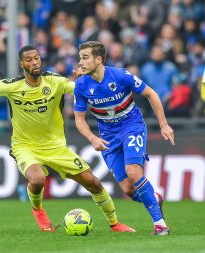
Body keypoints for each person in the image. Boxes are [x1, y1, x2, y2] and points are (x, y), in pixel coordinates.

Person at [0, 45, 134, 233]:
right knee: (37, 179)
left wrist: (86, 79)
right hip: (25, 146)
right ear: (22, 64)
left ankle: (115, 224)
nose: (35, 62)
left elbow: (82, 89)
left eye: (36, 58)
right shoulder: (12, 86)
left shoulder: (55, 81)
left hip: (55, 146)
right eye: (29, 59)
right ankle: (38, 211)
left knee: (92, 181)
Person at [73, 41, 174, 236]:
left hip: (132, 127)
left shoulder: (120, 75)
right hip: (108, 138)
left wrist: (163, 124)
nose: (80, 62)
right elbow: (79, 120)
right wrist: (92, 138)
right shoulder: (81, 85)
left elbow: (151, 94)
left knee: (133, 171)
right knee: (128, 189)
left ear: (99, 59)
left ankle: (160, 224)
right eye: (80, 58)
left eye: (85, 57)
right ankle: (154, 197)